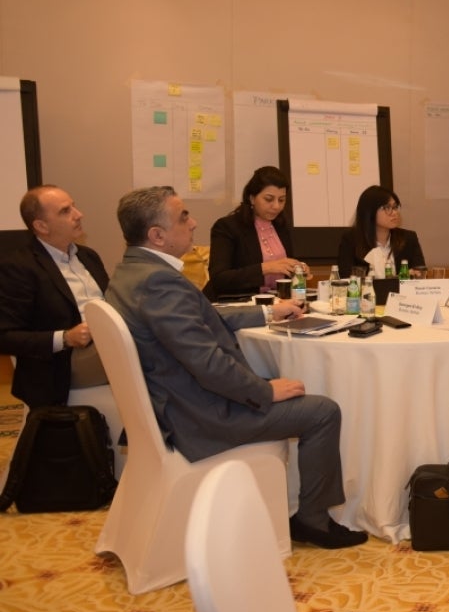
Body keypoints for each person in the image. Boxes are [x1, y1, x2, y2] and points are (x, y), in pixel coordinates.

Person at [106, 186, 366, 548]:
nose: (193, 223)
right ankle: (313, 519)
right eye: (183, 216)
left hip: (172, 403)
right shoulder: (158, 281)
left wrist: (266, 311)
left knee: (288, 388)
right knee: (322, 411)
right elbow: (206, 363)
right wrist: (264, 391)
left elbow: (203, 316)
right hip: (200, 414)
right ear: (157, 235)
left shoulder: (131, 271)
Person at [0, 186, 109, 408]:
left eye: (74, 206)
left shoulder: (88, 257)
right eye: (65, 211)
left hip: (105, 346)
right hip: (62, 364)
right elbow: (5, 337)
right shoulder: (19, 266)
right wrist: (66, 338)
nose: (79, 215)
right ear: (41, 226)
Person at [205, 166, 307, 300]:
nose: (276, 206)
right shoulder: (227, 227)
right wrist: (265, 268)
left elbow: (285, 270)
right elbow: (220, 278)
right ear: (252, 198)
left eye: (281, 200)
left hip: (278, 302)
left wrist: (298, 270)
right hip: (237, 302)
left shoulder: (281, 226)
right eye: (269, 199)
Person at [337, 185, 425, 278]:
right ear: (370, 211)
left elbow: (419, 272)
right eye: (387, 208)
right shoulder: (351, 240)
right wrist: (399, 277)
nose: (395, 213)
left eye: (395, 207)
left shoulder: (408, 238)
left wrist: (414, 274)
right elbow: (347, 278)